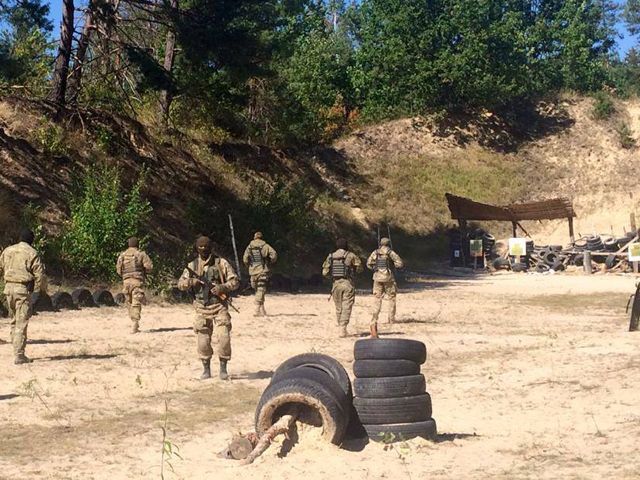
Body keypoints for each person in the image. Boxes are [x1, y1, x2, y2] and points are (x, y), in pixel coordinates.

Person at [178, 235, 239, 380]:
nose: (203, 249)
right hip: (201, 308)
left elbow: (235, 281)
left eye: (206, 246)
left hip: (219, 306)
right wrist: (192, 282)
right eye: (201, 246)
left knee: (224, 337)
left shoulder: (221, 263)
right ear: (197, 248)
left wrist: (222, 287)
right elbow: (180, 284)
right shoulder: (192, 266)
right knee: (203, 341)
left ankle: (223, 368)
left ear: (211, 247)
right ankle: (206, 369)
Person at [0, 229, 45, 364]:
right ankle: (19, 354)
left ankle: (15, 348)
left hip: (8, 289)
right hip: (22, 290)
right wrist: (39, 292)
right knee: (21, 321)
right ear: (32, 240)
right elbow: (40, 275)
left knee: (14, 319)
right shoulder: (32, 253)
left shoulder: (8, 250)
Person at [322, 238, 363, 338]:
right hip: (348, 283)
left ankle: (340, 326)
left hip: (336, 284)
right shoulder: (351, 255)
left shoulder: (331, 256)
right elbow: (360, 268)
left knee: (338, 307)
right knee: (347, 306)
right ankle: (343, 328)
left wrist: (332, 277)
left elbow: (324, 272)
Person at [366, 237, 404, 338]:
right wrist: (394, 266)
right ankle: (391, 318)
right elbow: (399, 263)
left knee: (377, 299)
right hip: (388, 278)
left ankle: (375, 318)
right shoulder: (390, 252)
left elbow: (369, 264)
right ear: (388, 244)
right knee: (391, 297)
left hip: (377, 278)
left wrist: (375, 269)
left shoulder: (375, 252)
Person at [116, 236, 154, 334]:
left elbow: (118, 271)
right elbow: (149, 267)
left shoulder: (122, 255)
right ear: (138, 244)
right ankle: (135, 324)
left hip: (126, 282)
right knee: (136, 303)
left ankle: (133, 321)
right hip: (137, 281)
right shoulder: (141, 254)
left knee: (129, 302)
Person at [242, 231, 277, 317]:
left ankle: (262, 309)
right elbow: (274, 255)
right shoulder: (265, 246)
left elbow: (245, 259)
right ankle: (257, 309)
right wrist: (271, 262)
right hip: (262, 270)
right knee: (261, 290)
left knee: (257, 290)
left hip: (252, 271)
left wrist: (249, 266)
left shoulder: (249, 247)